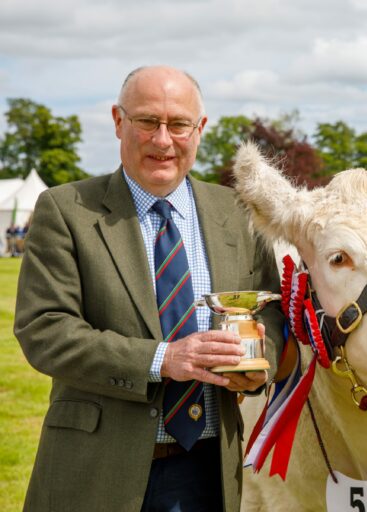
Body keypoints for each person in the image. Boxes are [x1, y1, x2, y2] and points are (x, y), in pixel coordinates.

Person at [15, 66, 284, 512]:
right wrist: (165, 359)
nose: (163, 140)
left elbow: (269, 312)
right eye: (147, 122)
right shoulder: (67, 210)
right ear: (119, 122)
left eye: (178, 124)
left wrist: (259, 363)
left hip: (212, 472)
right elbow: (45, 331)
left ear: (199, 130)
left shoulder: (237, 212)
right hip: (99, 471)